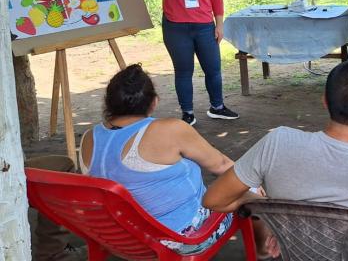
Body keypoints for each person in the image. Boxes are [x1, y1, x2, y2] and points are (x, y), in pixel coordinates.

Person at [202, 60, 348, 261]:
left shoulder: (277, 143)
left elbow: (213, 199)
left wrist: (271, 213)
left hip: (299, 250)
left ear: (325, 101)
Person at [79, 64, 274, 257]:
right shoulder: (169, 129)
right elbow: (221, 165)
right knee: (247, 185)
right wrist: (252, 184)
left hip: (119, 237)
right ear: (154, 102)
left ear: (108, 103)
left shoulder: (89, 138)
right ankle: (264, 249)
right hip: (181, 238)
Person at [89, 0, 238, 126]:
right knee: (184, 71)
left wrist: (219, 25)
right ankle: (188, 113)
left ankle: (217, 107)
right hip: (176, 29)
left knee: (213, 69)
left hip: (204, 27)